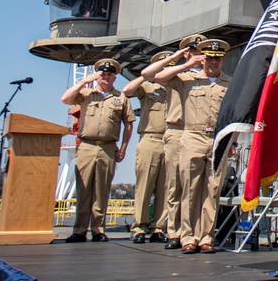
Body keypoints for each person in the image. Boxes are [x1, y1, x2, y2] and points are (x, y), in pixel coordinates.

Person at [145, 38, 232, 254]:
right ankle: (188, 238)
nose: (213, 62)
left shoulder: (229, 83)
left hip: (218, 138)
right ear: (203, 59)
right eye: (210, 58)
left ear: (223, 60)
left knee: (211, 191)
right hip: (191, 135)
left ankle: (206, 237)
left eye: (217, 58)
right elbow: (150, 75)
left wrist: (232, 141)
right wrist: (183, 61)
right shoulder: (186, 79)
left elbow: (232, 116)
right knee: (190, 190)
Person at [141, 35, 205, 250]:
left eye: (200, 50)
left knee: (196, 187)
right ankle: (174, 232)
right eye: (193, 50)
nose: (197, 54)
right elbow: (148, 75)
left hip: (200, 133)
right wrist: (181, 60)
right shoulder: (178, 75)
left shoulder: (211, 76)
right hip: (177, 131)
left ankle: (195, 234)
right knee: (174, 185)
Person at [61, 58, 134, 243]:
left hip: (108, 147)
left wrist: (124, 148)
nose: (105, 78)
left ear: (115, 77)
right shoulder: (86, 94)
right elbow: (66, 99)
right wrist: (84, 82)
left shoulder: (120, 97)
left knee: (102, 190)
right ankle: (79, 230)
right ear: (97, 76)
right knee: (83, 189)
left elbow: (129, 124)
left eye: (109, 75)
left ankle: (98, 229)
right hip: (86, 145)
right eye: (102, 75)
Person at [122, 56, 170, 244]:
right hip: (150, 138)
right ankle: (139, 227)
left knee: (166, 188)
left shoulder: (177, 87)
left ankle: (158, 227)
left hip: (171, 140)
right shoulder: (148, 87)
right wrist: (146, 76)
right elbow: (127, 90)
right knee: (144, 186)